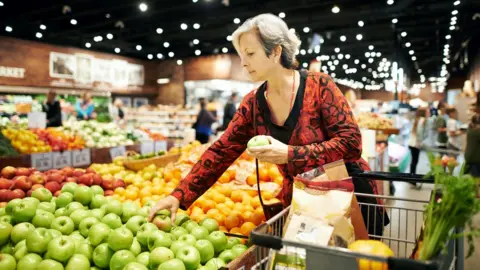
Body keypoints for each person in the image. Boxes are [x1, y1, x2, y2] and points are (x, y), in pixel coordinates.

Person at [148, 13, 388, 235]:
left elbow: (351, 143)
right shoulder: (253, 104)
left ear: (275, 52)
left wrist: (290, 154)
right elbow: (221, 151)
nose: (243, 63)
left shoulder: (319, 86)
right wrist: (178, 196)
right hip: (306, 204)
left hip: (348, 197)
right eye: (241, 56)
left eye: (250, 54)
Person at [408, 107, 429, 186]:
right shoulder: (423, 120)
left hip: (411, 143)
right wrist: (419, 142)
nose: (429, 113)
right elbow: (420, 132)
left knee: (413, 162)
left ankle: (411, 177)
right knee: (414, 161)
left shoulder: (417, 119)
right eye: (427, 112)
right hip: (416, 144)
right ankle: (412, 179)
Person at [465, 104, 480, 177]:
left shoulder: (470, 129)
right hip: (475, 160)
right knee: (475, 182)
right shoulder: (477, 131)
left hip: (470, 159)